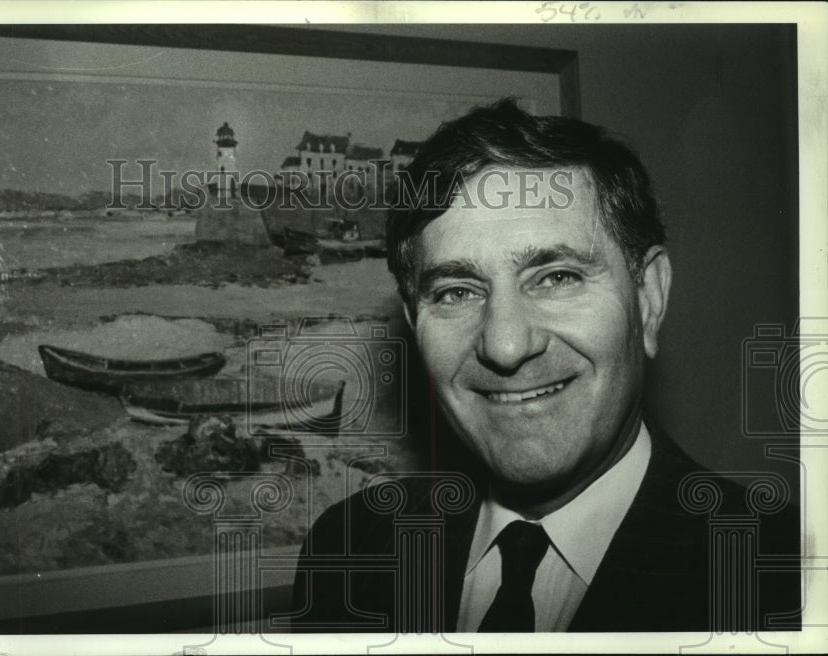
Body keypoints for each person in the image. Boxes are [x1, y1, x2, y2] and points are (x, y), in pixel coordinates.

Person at [289, 99, 799, 633]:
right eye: (457, 291)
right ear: (416, 328)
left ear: (649, 297)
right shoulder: (347, 553)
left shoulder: (785, 584)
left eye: (557, 277)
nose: (506, 346)